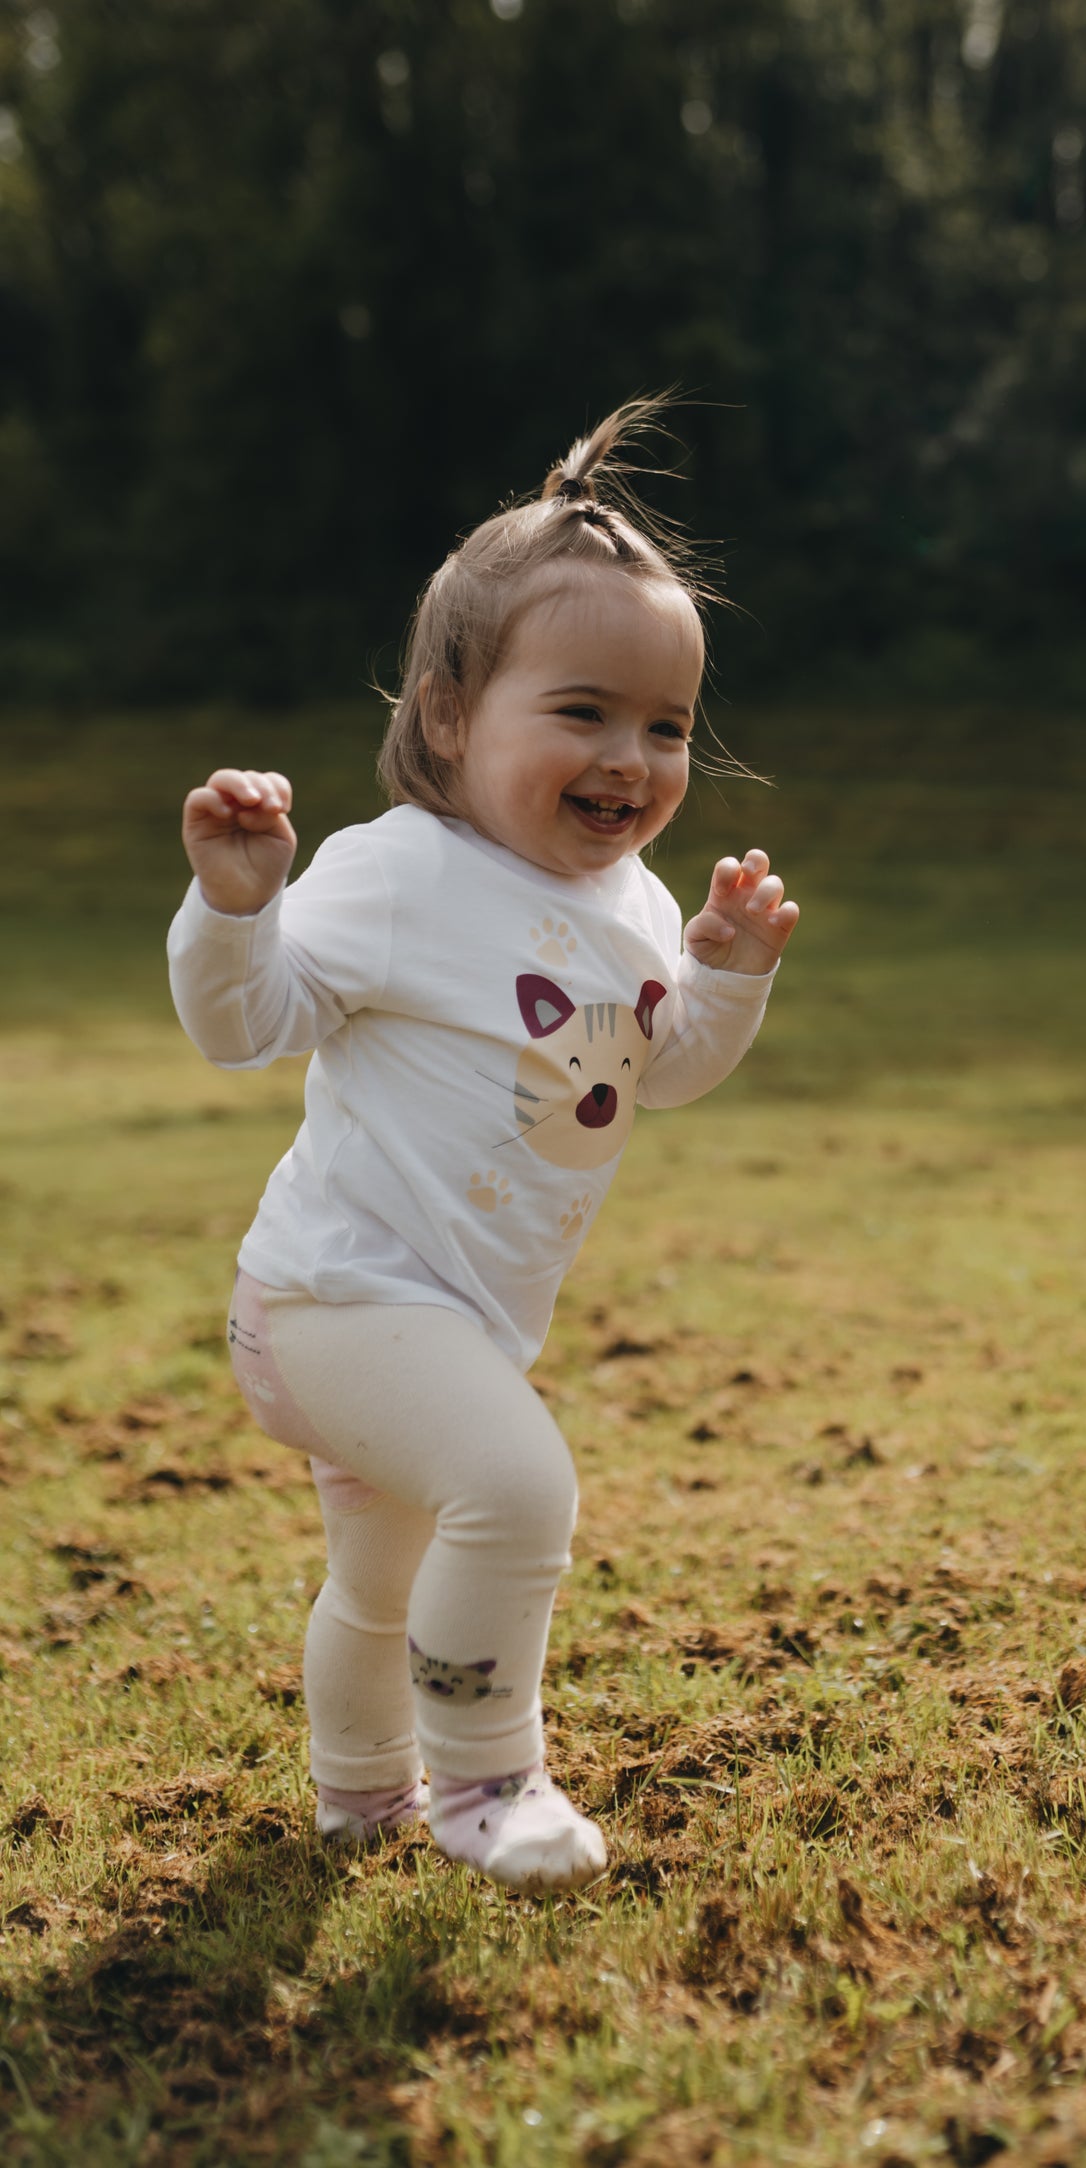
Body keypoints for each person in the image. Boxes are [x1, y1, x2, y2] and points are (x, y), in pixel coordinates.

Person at [167, 402, 798, 1892]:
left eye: (665, 728)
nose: (629, 760)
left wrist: (725, 974)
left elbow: (663, 1076)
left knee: (384, 1580)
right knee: (515, 1494)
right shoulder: (396, 872)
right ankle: (487, 1782)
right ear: (451, 714)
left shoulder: (637, 905)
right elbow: (242, 1028)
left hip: (453, 1319)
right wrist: (237, 908)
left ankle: (361, 1792)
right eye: (580, 712)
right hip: (333, 1302)